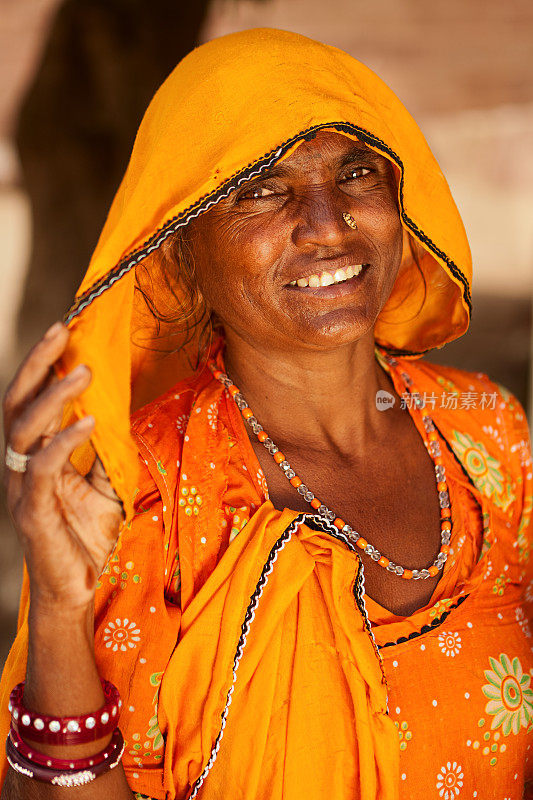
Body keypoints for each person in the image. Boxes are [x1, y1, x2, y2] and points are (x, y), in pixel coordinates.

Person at [0, 27, 532, 800]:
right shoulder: (137, 496)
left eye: (355, 173)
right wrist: (57, 609)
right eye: (259, 188)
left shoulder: (487, 433)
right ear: (178, 246)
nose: (327, 222)